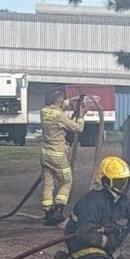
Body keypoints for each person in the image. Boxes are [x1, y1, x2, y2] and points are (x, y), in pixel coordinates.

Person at [46, 156, 130, 259]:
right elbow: (85, 234)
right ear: (106, 182)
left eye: (125, 181)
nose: (123, 186)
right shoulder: (91, 202)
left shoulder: (118, 199)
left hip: (102, 242)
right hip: (81, 243)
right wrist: (110, 241)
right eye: (119, 182)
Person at [39, 89, 85, 226]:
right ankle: (59, 211)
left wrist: (72, 99)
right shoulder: (60, 116)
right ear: (59, 101)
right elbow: (78, 128)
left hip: (45, 155)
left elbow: (59, 106)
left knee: (48, 183)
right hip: (58, 155)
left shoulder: (44, 112)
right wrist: (81, 116)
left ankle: (48, 212)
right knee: (66, 182)